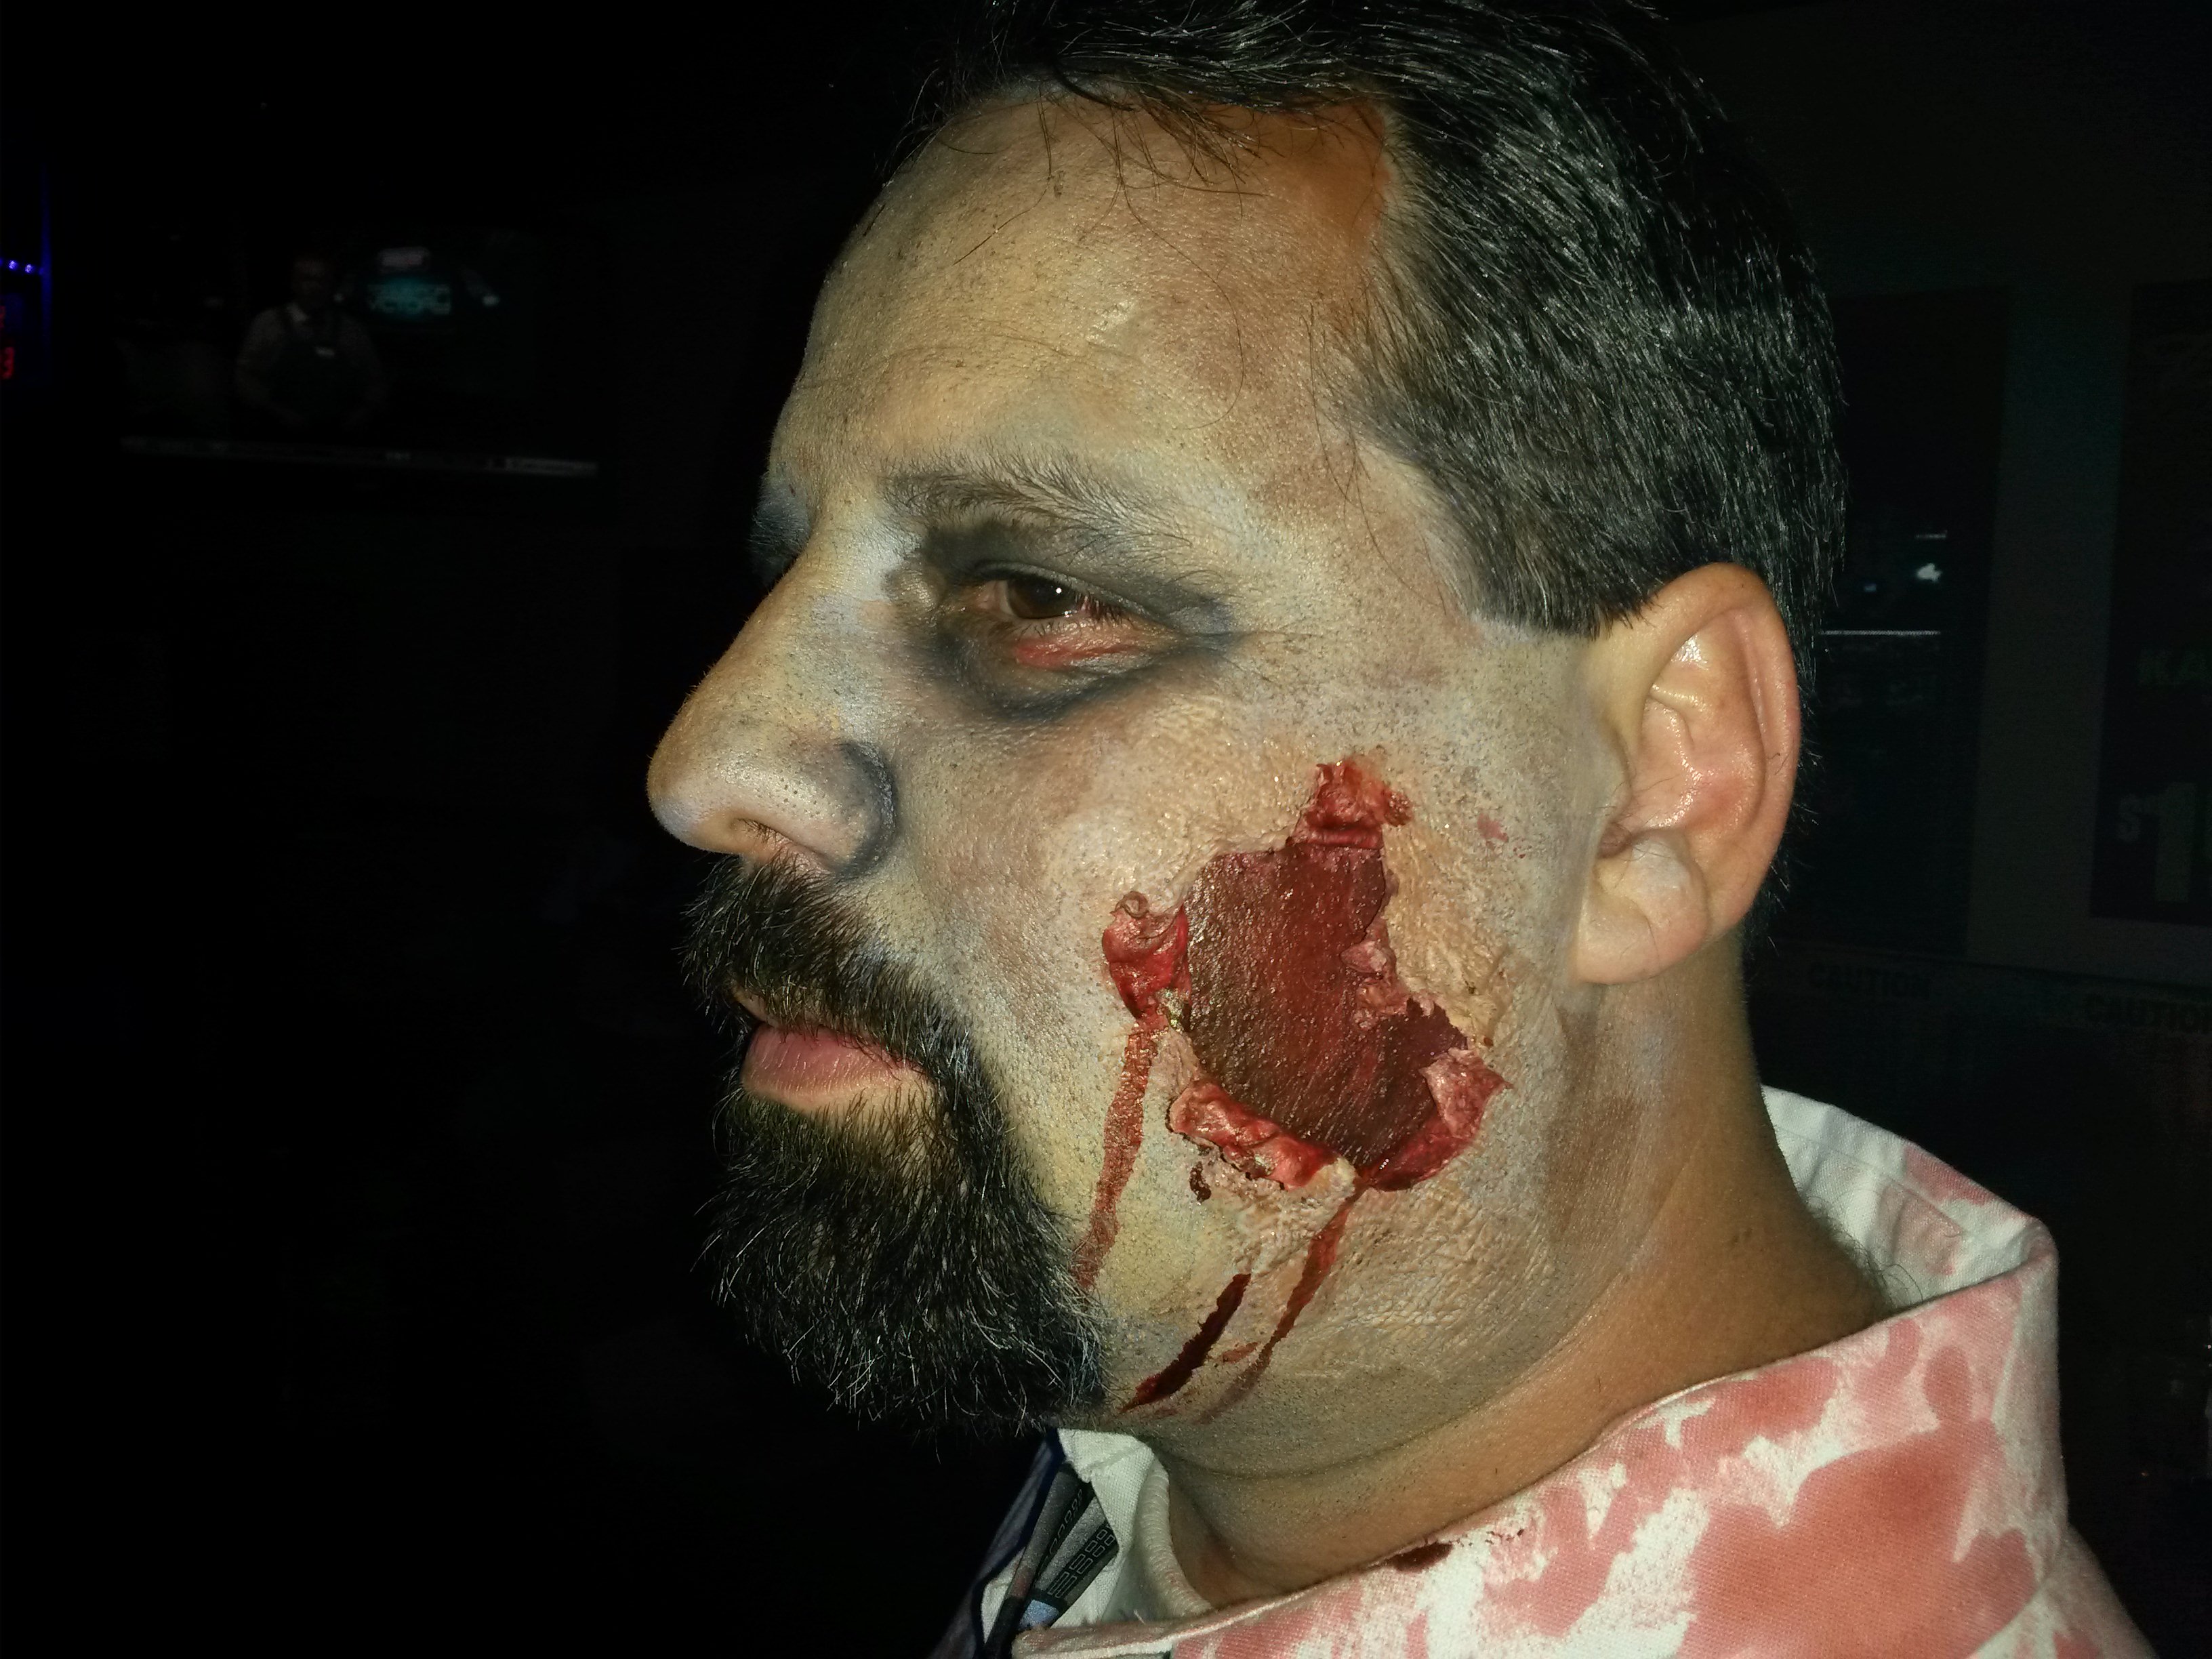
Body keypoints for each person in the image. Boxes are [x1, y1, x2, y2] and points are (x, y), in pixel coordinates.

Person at [646, 1, 2146, 1652]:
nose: (704, 765)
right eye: (782, 578)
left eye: (1039, 594)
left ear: (1655, 793)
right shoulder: (1178, 1448)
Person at [234, 252, 386, 436]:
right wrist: (276, 411)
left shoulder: (351, 330)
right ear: (294, 284)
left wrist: (360, 415)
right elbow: (245, 376)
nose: (315, 287)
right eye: (307, 279)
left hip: (340, 435)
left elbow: (375, 380)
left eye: (323, 280)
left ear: (332, 286)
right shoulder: (269, 323)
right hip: (279, 434)